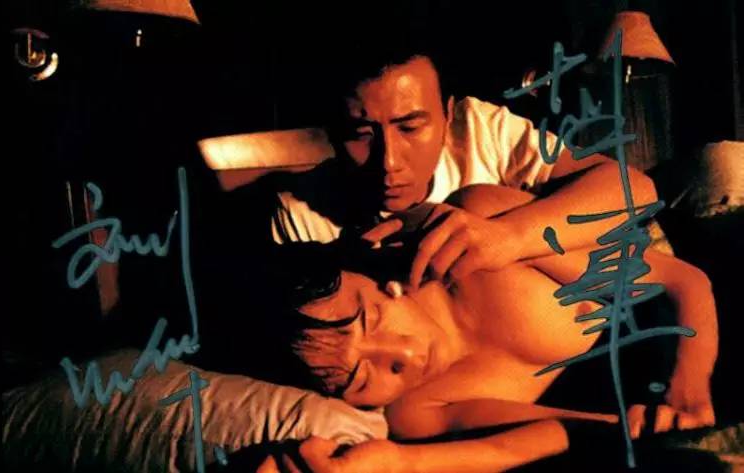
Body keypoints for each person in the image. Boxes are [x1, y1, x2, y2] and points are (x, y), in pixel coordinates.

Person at [256, 184, 718, 473]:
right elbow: (542, 437)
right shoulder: (412, 411)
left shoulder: (480, 232)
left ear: (381, 282)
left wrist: (690, 392)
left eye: (373, 319)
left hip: (698, 326)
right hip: (655, 409)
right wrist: (399, 462)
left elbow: (683, 282)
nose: (403, 357)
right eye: (360, 379)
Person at [268, 35, 659, 293]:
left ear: (447, 114)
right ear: (334, 131)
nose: (388, 162)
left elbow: (634, 190)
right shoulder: (301, 215)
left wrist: (508, 236)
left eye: (410, 127)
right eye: (361, 134)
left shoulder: (478, 129)